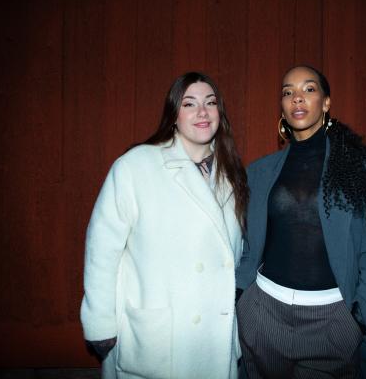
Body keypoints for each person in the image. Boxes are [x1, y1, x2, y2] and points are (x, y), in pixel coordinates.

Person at [235, 65, 366, 379]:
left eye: (308, 89)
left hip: (333, 322)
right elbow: (246, 242)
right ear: (282, 107)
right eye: (288, 92)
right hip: (263, 315)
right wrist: (241, 296)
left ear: (326, 102)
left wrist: (360, 319)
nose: (297, 98)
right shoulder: (258, 172)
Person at [80, 72, 248, 379]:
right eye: (189, 104)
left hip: (214, 336)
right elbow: (102, 249)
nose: (202, 112)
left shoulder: (230, 174)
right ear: (174, 115)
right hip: (160, 335)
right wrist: (100, 322)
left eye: (210, 103)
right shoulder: (136, 166)